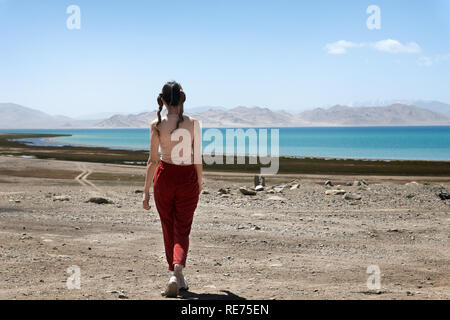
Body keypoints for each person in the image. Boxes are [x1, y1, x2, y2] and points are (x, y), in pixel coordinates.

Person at [142, 81, 202, 298]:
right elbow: (197, 158)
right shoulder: (193, 123)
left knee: (168, 226)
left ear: (163, 100)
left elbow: (152, 160)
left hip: (164, 178)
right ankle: (177, 273)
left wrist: (146, 191)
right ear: (182, 99)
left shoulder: (156, 124)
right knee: (182, 228)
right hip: (187, 178)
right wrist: (200, 182)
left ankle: (177, 276)